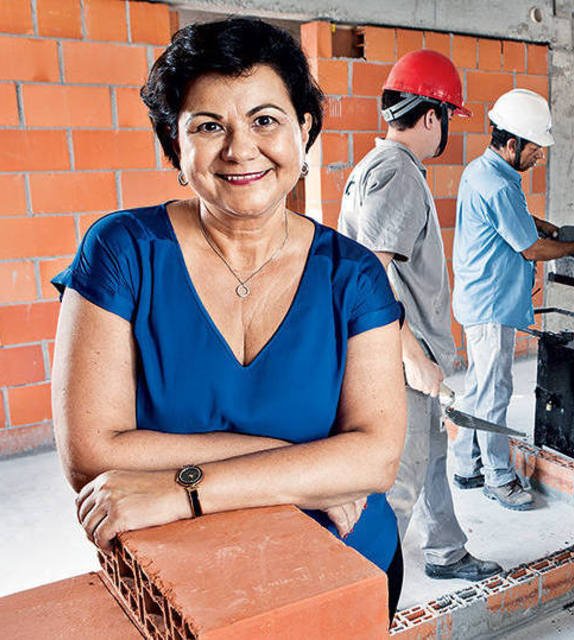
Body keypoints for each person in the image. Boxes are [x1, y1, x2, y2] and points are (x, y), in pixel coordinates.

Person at [50, 18, 407, 619]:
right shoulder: (123, 251)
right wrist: (301, 459)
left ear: (304, 129)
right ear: (175, 148)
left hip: (344, 563)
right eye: (209, 126)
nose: (241, 149)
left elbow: (376, 461)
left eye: (265, 119)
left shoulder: (354, 275)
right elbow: (90, 453)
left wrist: (184, 488)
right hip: (184, 581)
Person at [338, 49, 501, 581]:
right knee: (400, 480)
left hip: (395, 351)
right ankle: (362, 589)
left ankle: (445, 550)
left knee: (431, 455)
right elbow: (373, 271)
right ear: (432, 116)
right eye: (447, 118)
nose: (445, 130)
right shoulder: (399, 173)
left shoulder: (373, 166)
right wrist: (411, 358)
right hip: (396, 356)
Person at [451, 89, 574, 510]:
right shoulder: (498, 184)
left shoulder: (486, 172)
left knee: (478, 388)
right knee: (494, 392)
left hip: (481, 297)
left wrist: (544, 224)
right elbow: (530, 249)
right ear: (512, 143)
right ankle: (498, 478)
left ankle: (466, 465)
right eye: (535, 149)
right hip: (490, 304)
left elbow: (512, 220)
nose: (540, 157)